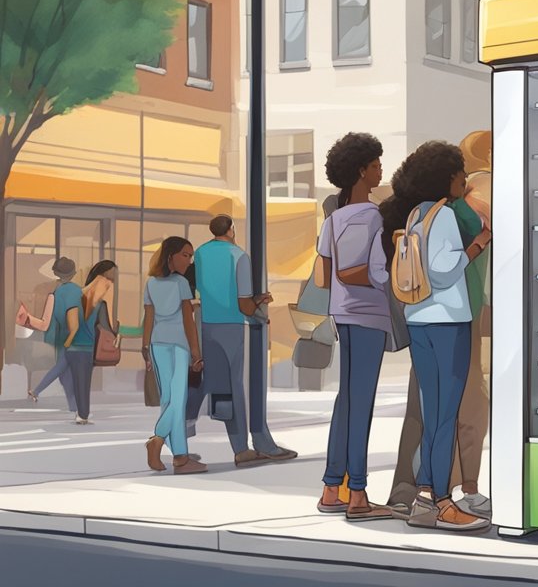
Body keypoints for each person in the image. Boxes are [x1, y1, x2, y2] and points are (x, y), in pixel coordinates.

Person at [379, 142, 493, 532]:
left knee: (432, 413)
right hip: (448, 321)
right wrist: (477, 246)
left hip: (419, 318)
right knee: (445, 415)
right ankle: (443, 503)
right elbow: (444, 270)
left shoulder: (415, 214)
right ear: (447, 178)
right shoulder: (443, 216)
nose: (464, 179)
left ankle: (425, 499)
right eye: (460, 173)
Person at [316, 132, 393, 522]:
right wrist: (391, 276)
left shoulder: (334, 220)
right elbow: (363, 270)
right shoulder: (373, 217)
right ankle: (358, 494)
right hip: (368, 315)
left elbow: (325, 275)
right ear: (362, 170)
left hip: (342, 313)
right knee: (360, 402)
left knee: (346, 400)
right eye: (377, 164)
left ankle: (333, 487)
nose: (381, 169)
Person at [193, 214, 298, 466]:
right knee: (237, 387)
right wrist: (259, 303)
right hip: (233, 326)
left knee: (219, 386)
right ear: (231, 230)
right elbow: (244, 304)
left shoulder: (200, 253)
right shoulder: (239, 256)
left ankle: (231, 445)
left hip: (207, 324)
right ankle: (242, 447)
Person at [451, 130, 493, 517]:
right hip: (479, 307)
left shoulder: (448, 203)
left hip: (458, 309)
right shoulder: (482, 191)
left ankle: (440, 487)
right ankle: (469, 488)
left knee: (456, 398)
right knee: (475, 400)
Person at [143, 237, 206, 475]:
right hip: (179, 346)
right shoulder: (181, 283)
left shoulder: (150, 284)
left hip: (157, 345)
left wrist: (144, 347)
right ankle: (157, 440)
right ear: (170, 256)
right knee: (177, 400)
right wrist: (196, 353)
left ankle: (180, 456)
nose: (189, 261)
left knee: (169, 400)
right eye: (185, 255)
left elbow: (148, 317)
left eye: (190, 256)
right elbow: (188, 321)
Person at [17, 256, 82, 411]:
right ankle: (76, 409)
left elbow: (44, 324)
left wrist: (27, 318)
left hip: (61, 339)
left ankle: (36, 391)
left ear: (56, 273)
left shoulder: (54, 295)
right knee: (64, 374)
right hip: (78, 337)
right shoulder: (80, 292)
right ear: (73, 273)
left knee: (61, 368)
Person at [65, 260, 117, 425]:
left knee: (75, 379)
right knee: (84, 382)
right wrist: (116, 330)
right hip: (87, 348)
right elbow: (107, 328)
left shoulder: (76, 296)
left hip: (71, 346)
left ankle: (80, 412)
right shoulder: (100, 305)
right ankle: (83, 414)